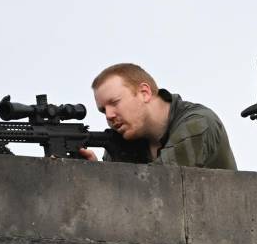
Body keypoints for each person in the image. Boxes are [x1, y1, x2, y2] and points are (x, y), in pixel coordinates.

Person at [79, 63, 238, 170]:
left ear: (144, 93)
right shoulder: (123, 138)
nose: (109, 115)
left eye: (114, 102)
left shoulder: (198, 123)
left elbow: (158, 186)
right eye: (103, 110)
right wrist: (96, 171)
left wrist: (103, 178)